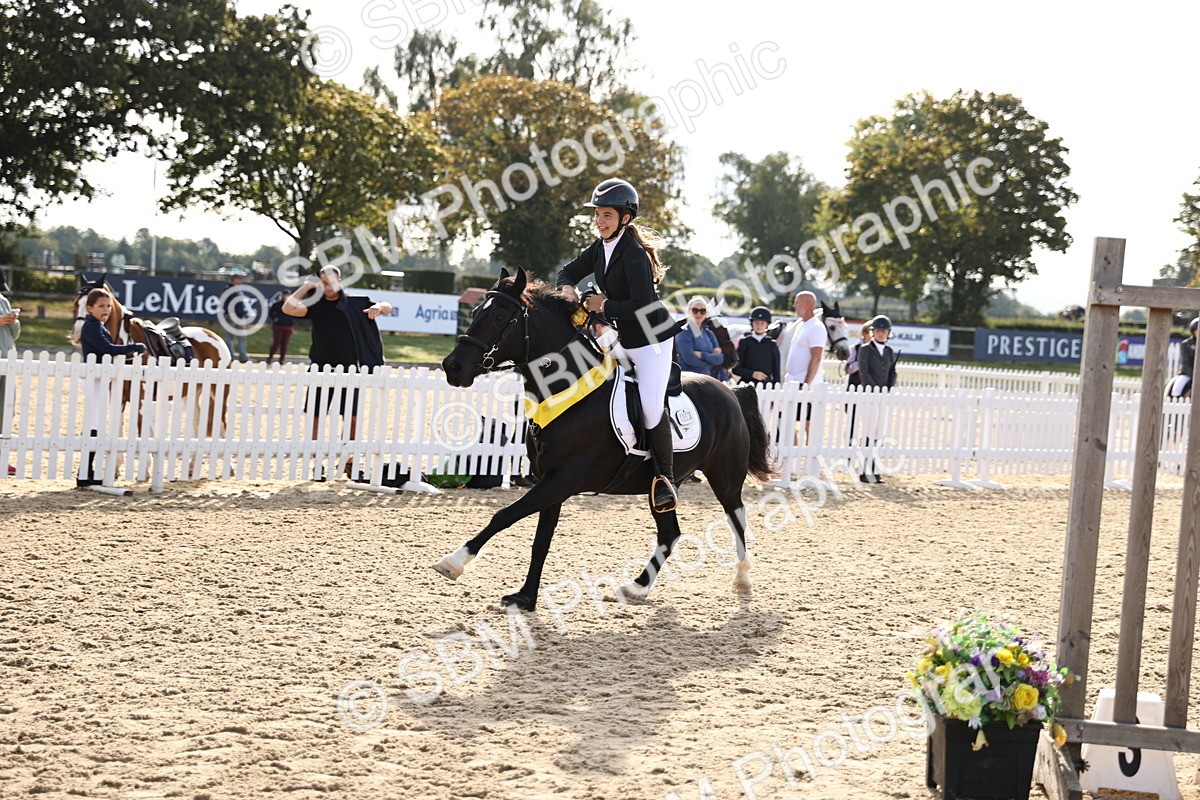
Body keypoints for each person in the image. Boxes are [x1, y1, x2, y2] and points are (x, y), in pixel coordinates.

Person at [557, 178, 683, 514]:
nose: (600, 221)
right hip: (621, 338)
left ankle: (665, 480)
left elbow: (643, 305)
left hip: (650, 342)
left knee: (652, 408)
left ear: (625, 218)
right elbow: (567, 271)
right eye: (597, 214)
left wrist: (603, 305)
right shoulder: (599, 248)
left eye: (607, 215)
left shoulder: (635, 254)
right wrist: (568, 289)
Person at [284, 265, 391, 480]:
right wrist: (305, 287)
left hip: (350, 371)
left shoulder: (355, 303)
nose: (328, 287)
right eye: (323, 282)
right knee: (316, 418)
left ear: (340, 281)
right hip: (320, 369)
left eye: (331, 282)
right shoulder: (316, 305)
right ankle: (315, 464)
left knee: (351, 419)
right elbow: (288, 308)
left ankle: (348, 461)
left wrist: (378, 307)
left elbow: (388, 306)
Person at [77, 289, 145, 487]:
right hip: (94, 379)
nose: (105, 310)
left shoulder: (98, 325)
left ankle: (87, 471)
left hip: (99, 378)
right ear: (90, 308)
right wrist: (134, 347)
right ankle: (85, 472)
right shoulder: (91, 327)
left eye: (108, 306)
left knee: (96, 424)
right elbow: (107, 349)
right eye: (101, 306)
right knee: (94, 424)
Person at [779, 290, 826, 444]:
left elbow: (816, 357)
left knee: (807, 422)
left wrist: (805, 384)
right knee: (787, 420)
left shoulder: (816, 327)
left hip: (805, 385)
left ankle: (808, 455)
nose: (793, 305)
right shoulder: (802, 325)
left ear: (808, 305)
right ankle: (794, 454)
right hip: (793, 382)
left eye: (797, 302)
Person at [857, 314, 899, 484]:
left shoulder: (888, 351)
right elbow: (864, 372)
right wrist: (875, 389)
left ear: (888, 333)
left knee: (878, 434)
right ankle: (864, 470)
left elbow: (892, 372)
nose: (881, 334)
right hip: (869, 396)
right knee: (868, 432)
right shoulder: (865, 349)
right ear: (873, 332)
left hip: (883, 398)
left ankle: (874, 469)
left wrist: (889, 388)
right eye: (878, 331)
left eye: (884, 331)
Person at [675, 296, 724, 376]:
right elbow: (689, 359)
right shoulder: (683, 333)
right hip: (687, 379)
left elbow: (720, 359)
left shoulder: (709, 333)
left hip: (707, 378)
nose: (699, 314)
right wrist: (711, 358)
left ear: (706, 313)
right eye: (695, 310)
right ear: (688, 312)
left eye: (703, 311)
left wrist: (702, 355)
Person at [733, 306, 781, 387]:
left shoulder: (772, 344)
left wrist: (776, 387)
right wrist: (752, 374)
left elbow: (776, 371)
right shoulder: (744, 342)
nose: (759, 326)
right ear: (752, 323)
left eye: (762, 323)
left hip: (766, 386)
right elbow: (736, 369)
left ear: (767, 325)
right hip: (746, 385)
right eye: (756, 322)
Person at [0, 288, 20, 475]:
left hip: (7, 358)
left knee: (6, 409)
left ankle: (1, 457)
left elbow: (13, 335)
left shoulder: (3, 300)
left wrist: (14, 321)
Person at [222, 274, 252, 363]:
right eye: (239, 279)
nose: (240, 280)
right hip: (231, 316)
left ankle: (243, 357)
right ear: (233, 279)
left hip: (240, 317)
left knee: (242, 337)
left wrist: (243, 313)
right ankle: (230, 356)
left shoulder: (239, 290)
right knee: (229, 338)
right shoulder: (229, 288)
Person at [1168, 317, 1198, 400]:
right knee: (1177, 388)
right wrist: (1194, 375)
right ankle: (1174, 403)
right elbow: (1185, 363)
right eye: (1197, 330)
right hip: (1187, 373)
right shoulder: (1186, 344)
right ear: (1193, 331)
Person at [267, 290, 296, 364]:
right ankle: (270, 357)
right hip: (278, 326)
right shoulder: (277, 305)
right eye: (285, 295)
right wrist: (275, 318)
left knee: (285, 344)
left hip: (288, 326)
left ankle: (282, 359)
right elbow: (271, 312)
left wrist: (293, 321)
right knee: (276, 342)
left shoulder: (292, 305)